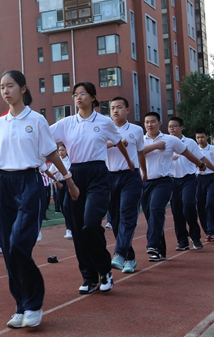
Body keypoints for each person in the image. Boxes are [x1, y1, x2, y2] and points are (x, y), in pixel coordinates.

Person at [0, 70, 79, 329]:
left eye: (10, 86)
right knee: (8, 251)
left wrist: (69, 181)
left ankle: (33, 304)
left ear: (23, 88)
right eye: (1, 87)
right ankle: (21, 306)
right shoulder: (0, 123)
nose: (5, 91)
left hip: (30, 183)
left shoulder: (37, 120)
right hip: (3, 184)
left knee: (19, 244)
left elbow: (51, 153)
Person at [50, 82, 133, 294]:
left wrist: (130, 164)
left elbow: (119, 143)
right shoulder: (66, 123)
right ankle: (88, 277)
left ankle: (105, 271)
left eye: (83, 93)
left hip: (97, 174)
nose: (78, 97)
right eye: (75, 94)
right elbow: (43, 138)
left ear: (93, 98)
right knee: (78, 231)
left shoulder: (104, 122)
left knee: (90, 225)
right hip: (75, 175)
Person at [141, 113, 207, 262]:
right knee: (151, 216)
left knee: (156, 209)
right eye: (147, 122)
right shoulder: (139, 140)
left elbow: (187, 153)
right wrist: (155, 146)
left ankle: (152, 244)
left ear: (160, 123)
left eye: (153, 122)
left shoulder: (170, 140)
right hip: (145, 183)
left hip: (164, 181)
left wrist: (201, 164)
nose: (150, 125)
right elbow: (136, 153)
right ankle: (160, 252)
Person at [106, 97, 146, 274]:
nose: (115, 111)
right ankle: (130, 257)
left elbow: (141, 153)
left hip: (130, 176)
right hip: (109, 177)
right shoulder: (104, 128)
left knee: (127, 214)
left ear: (127, 110)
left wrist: (144, 171)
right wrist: (115, 143)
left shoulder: (136, 130)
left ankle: (119, 254)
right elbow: (96, 145)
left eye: (119, 107)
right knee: (114, 220)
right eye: (113, 108)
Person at [167, 117, 213, 250]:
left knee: (188, 204)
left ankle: (195, 236)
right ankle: (182, 241)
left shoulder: (190, 142)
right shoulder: (165, 142)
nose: (172, 129)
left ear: (182, 127)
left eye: (175, 126)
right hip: (172, 180)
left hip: (189, 178)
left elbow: (200, 157)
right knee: (177, 211)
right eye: (170, 126)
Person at [48, 144, 73, 240]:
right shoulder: (56, 162)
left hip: (68, 184)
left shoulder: (70, 160)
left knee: (67, 205)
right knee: (63, 206)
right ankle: (69, 227)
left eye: (63, 150)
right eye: (59, 150)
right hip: (60, 185)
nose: (61, 152)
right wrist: (57, 171)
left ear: (66, 151)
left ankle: (70, 228)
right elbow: (49, 173)